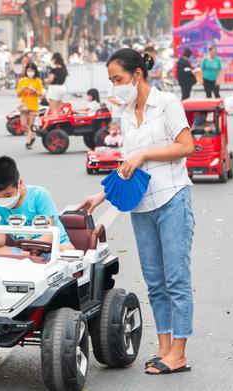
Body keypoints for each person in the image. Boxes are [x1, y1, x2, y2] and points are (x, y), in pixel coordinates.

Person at [78, 48, 195, 376]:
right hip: (142, 206)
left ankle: (180, 353)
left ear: (138, 75)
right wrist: (101, 196)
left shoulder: (167, 102)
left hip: (172, 199)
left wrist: (144, 155)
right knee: (155, 282)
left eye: (118, 79)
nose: (116, 86)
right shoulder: (126, 113)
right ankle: (164, 348)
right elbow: (127, 167)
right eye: (112, 81)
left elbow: (186, 146)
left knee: (176, 279)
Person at [0, 156, 75, 260]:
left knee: (67, 253)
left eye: (8, 195)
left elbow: (48, 236)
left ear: (19, 183)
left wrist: (25, 252)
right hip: (23, 251)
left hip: (55, 248)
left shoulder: (39, 195)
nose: (2, 200)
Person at [16, 63, 43, 150]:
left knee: (31, 124)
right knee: (23, 125)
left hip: (33, 105)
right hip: (24, 105)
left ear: (35, 71)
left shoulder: (38, 81)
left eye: (32, 71)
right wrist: (23, 89)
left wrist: (34, 90)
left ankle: (28, 142)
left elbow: (40, 94)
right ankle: (32, 136)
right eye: (28, 70)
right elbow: (18, 94)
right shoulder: (22, 81)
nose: (30, 72)